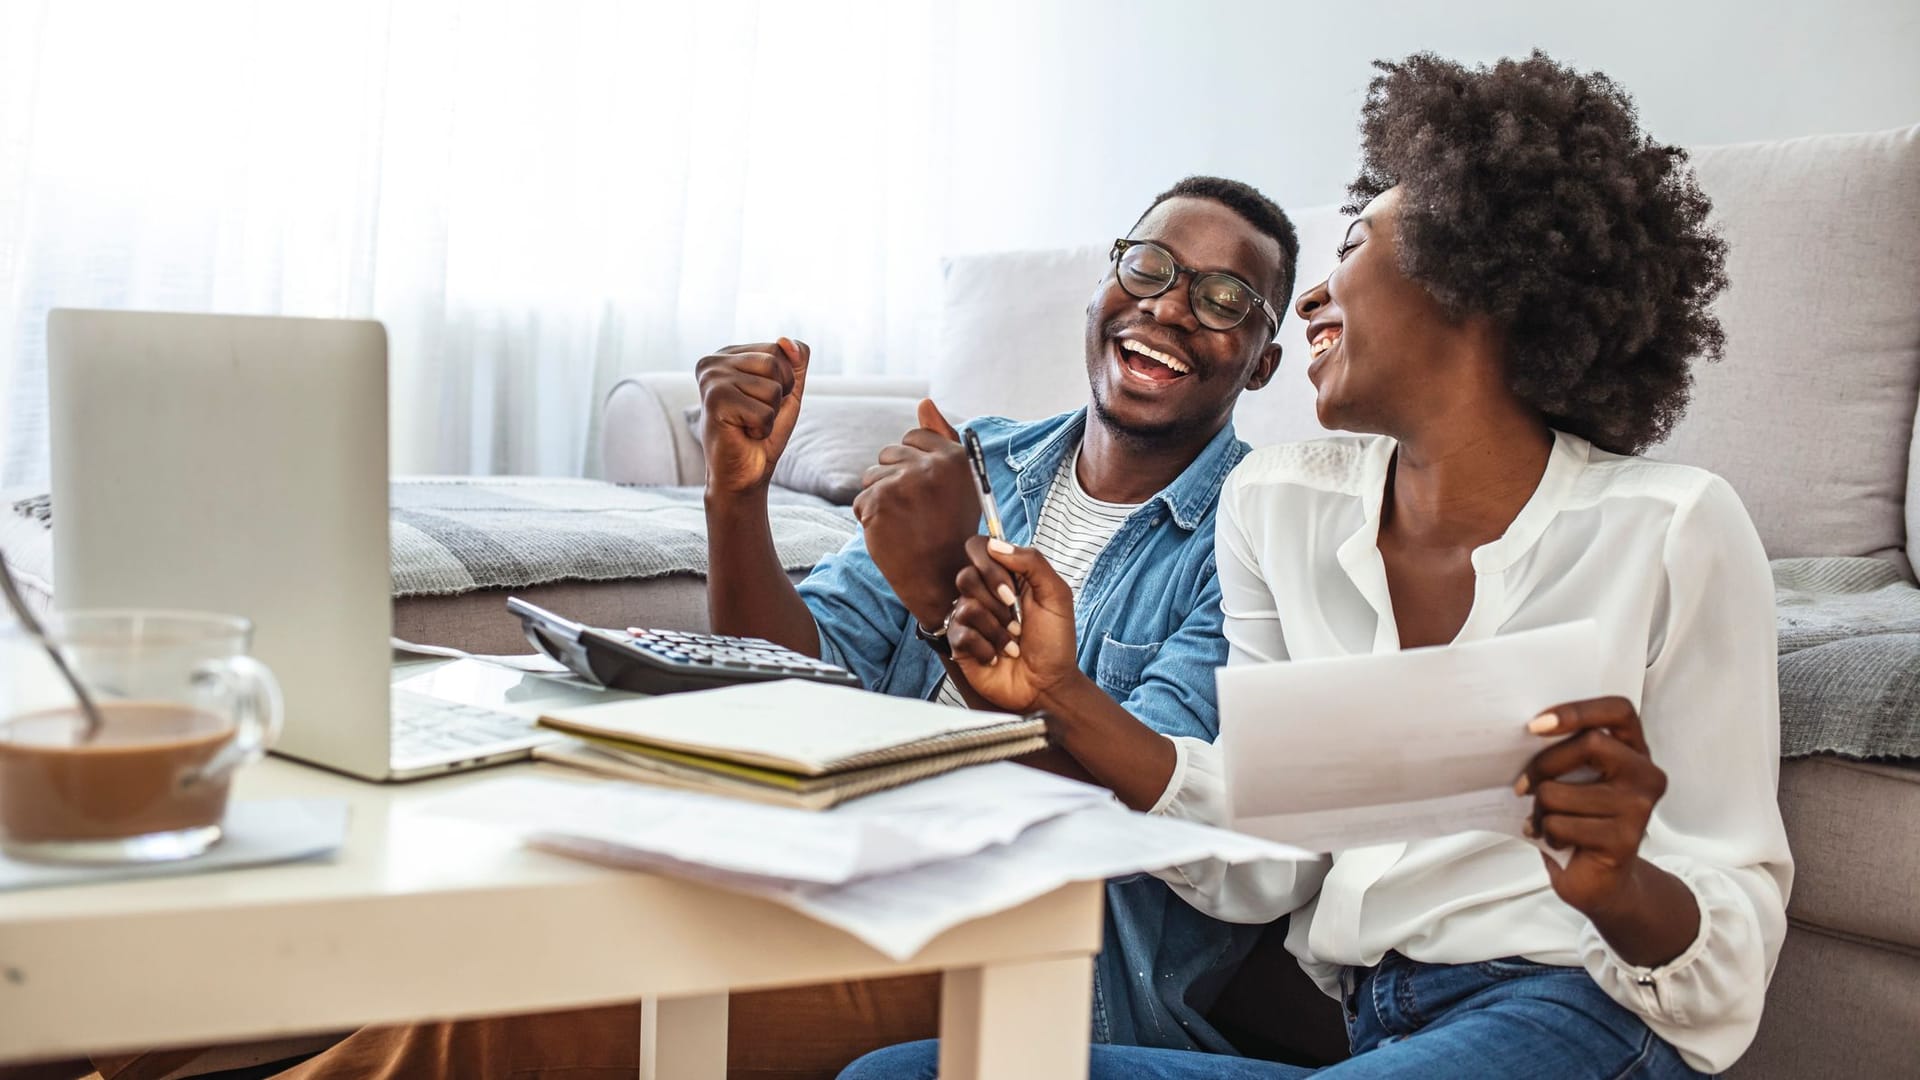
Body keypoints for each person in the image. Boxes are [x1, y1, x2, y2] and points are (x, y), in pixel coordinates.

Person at [91, 175, 1300, 1080]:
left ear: (1259, 361)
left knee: (501, 1009)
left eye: (1224, 298)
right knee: (433, 916)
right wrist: (737, 496)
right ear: (1106, 280)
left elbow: (1149, 811)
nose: (1171, 308)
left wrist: (941, 598)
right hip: (823, 866)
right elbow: (784, 680)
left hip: (1019, 951)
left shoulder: (1252, 535)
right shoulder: (985, 460)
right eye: (1149, 266)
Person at [842, 50, 1792, 1080]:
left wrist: (1616, 886)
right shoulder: (1280, 507)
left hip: (1582, 1011)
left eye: (1353, 244)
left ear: (1474, 277)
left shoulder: (1673, 528)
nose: (1309, 302)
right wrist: (1060, 696)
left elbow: (1729, 955)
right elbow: (1267, 858)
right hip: (1379, 1032)